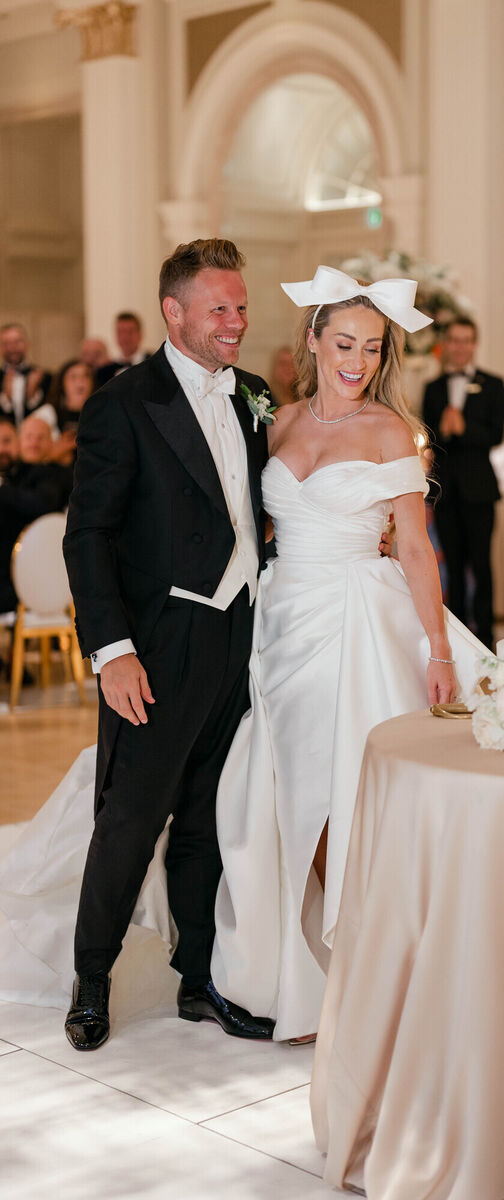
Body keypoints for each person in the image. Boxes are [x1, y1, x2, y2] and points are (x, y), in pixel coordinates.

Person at [210, 267, 489, 1041]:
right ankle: (305, 967)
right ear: (312, 339)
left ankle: (369, 965)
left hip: (352, 619)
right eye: (343, 342)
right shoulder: (277, 421)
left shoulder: (388, 430)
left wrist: (436, 647)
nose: (357, 361)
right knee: (283, 787)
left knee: (340, 792)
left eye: (371, 347)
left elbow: (419, 551)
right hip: (277, 618)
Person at [59, 238, 277, 1051]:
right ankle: (91, 981)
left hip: (242, 637)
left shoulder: (253, 394)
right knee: (131, 819)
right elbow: (89, 537)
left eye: (242, 306)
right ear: (174, 311)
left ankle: (201, 982)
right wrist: (112, 651)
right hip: (158, 643)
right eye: (219, 308)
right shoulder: (123, 402)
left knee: (212, 819)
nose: (236, 322)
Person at [422, 317, 504, 649]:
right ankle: (457, 638)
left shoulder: (494, 384)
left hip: (480, 490)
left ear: (474, 344)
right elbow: (428, 436)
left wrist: (463, 428)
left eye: (466, 340)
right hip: (445, 491)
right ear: (446, 345)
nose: (460, 347)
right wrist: (442, 430)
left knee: (482, 565)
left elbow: (496, 434)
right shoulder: (433, 388)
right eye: (454, 340)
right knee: (453, 566)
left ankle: (485, 637)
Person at [0, 417, 72, 614]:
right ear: (21, 441)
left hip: (35, 580)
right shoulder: (17, 476)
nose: (34, 443)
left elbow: (43, 502)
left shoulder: (54, 474)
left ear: (51, 443)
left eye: (40, 438)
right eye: (29, 437)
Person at [0, 323, 53, 427]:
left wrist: (32, 394)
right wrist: (6, 397)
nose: (12, 347)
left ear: (27, 344)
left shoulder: (45, 377)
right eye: (6, 343)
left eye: (17, 342)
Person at [46, 359, 95, 468]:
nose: (80, 382)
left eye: (85, 376)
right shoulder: (49, 413)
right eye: (73, 377)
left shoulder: (102, 413)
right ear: (62, 383)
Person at [95, 311, 150, 385]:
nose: (125, 337)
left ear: (140, 334)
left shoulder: (153, 363)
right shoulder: (105, 371)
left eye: (130, 332)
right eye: (121, 332)